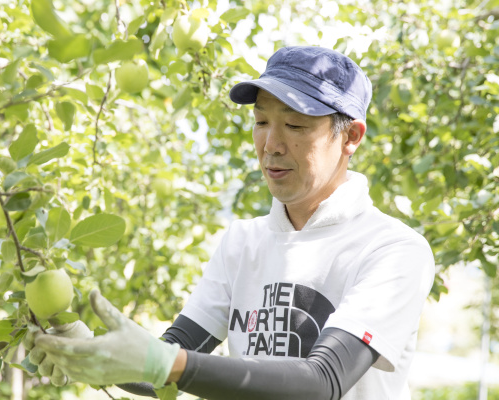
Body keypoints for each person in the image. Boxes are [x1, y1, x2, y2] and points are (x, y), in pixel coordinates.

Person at [25, 46, 435, 400]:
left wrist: (162, 362)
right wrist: (91, 349)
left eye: (294, 125)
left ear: (351, 137)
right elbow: (173, 359)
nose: (271, 144)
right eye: (260, 122)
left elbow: (321, 382)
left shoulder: (393, 250)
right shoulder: (243, 242)